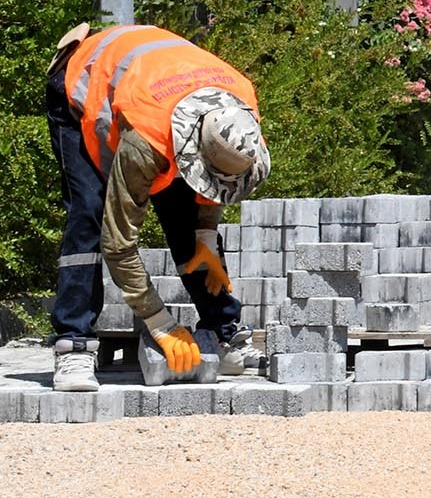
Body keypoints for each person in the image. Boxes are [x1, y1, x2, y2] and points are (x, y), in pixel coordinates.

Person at [46, 23, 273, 392]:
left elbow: (217, 185)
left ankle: (224, 329)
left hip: (154, 89)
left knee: (188, 224)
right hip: (82, 82)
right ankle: (74, 344)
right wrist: (160, 323)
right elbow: (118, 243)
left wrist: (205, 236)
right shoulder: (146, 143)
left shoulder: (240, 113)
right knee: (90, 212)